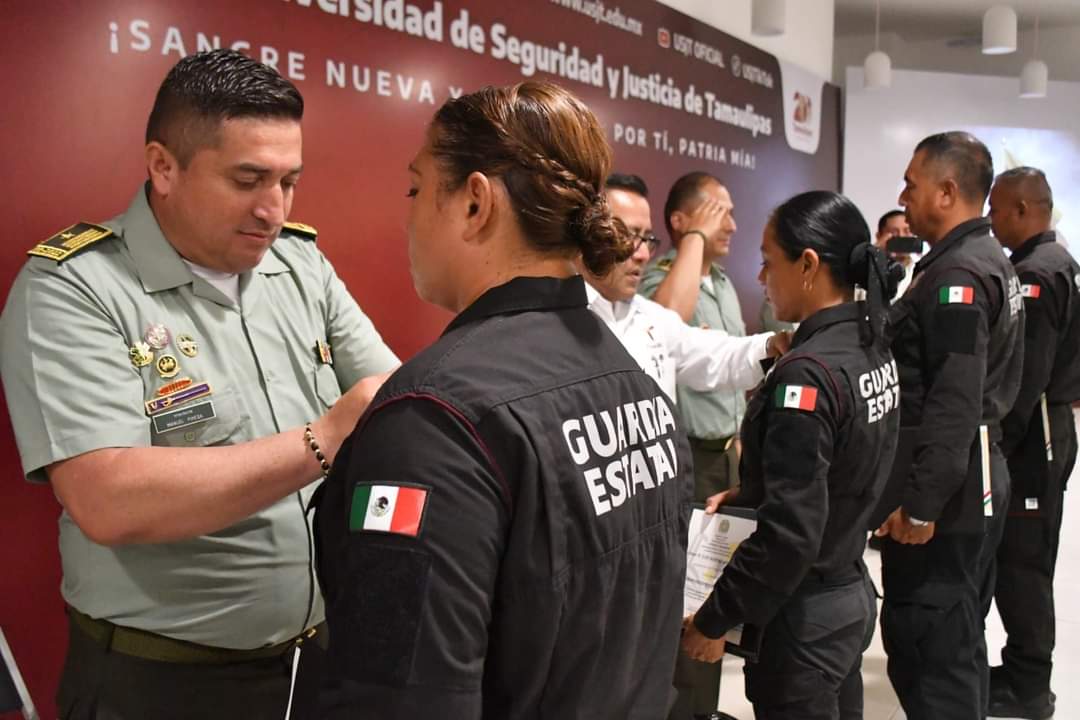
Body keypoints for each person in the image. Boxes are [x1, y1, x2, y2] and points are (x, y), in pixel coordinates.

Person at [0, 49, 399, 720]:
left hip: (315, 657)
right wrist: (322, 439)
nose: (272, 209)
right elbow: (108, 500)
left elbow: (389, 396)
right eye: (248, 179)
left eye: (289, 181)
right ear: (163, 166)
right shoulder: (74, 287)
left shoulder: (299, 264)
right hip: (162, 681)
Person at [312, 81, 694, 719]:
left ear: (475, 203)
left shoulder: (433, 420)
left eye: (415, 189)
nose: (408, 215)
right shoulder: (630, 378)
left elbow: (405, 700)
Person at [680, 191, 902, 720]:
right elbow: (852, 464)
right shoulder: (870, 343)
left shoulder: (809, 373)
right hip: (847, 591)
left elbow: (790, 535)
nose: (761, 278)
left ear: (807, 265)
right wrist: (756, 491)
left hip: (804, 619)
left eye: (767, 261)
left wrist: (715, 619)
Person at [876, 131, 1024, 720]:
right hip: (974, 473)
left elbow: (954, 401)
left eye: (910, 185)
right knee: (956, 634)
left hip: (952, 488)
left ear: (946, 191)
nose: (902, 197)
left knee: (932, 647)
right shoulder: (979, 258)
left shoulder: (958, 275)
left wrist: (921, 505)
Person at [638, 171, 750, 719]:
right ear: (681, 222)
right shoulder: (659, 281)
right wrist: (694, 243)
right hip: (689, 459)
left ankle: (703, 708)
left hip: (726, 456)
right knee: (690, 602)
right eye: (716, 211)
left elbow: (731, 367)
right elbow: (664, 324)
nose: (731, 224)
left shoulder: (722, 283)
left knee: (717, 596)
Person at [987, 167, 1080, 720]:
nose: (990, 219)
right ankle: (1024, 669)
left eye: (996, 208)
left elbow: (1026, 378)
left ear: (1023, 209)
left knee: (1023, 562)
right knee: (1027, 557)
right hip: (1051, 427)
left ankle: (1028, 685)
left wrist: (997, 442)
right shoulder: (1057, 260)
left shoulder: (1037, 273)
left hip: (1037, 434)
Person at [580, 172, 788, 403]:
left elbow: (719, 359)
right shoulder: (560, 324)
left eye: (646, 238)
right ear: (587, 235)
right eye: (626, 236)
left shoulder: (651, 317)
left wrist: (774, 346)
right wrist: (696, 235)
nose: (642, 254)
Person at [875, 209, 918, 297]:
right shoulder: (871, 269)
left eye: (907, 231)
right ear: (879, 236)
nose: (901, 236)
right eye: (894, 232)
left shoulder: (922, 269)